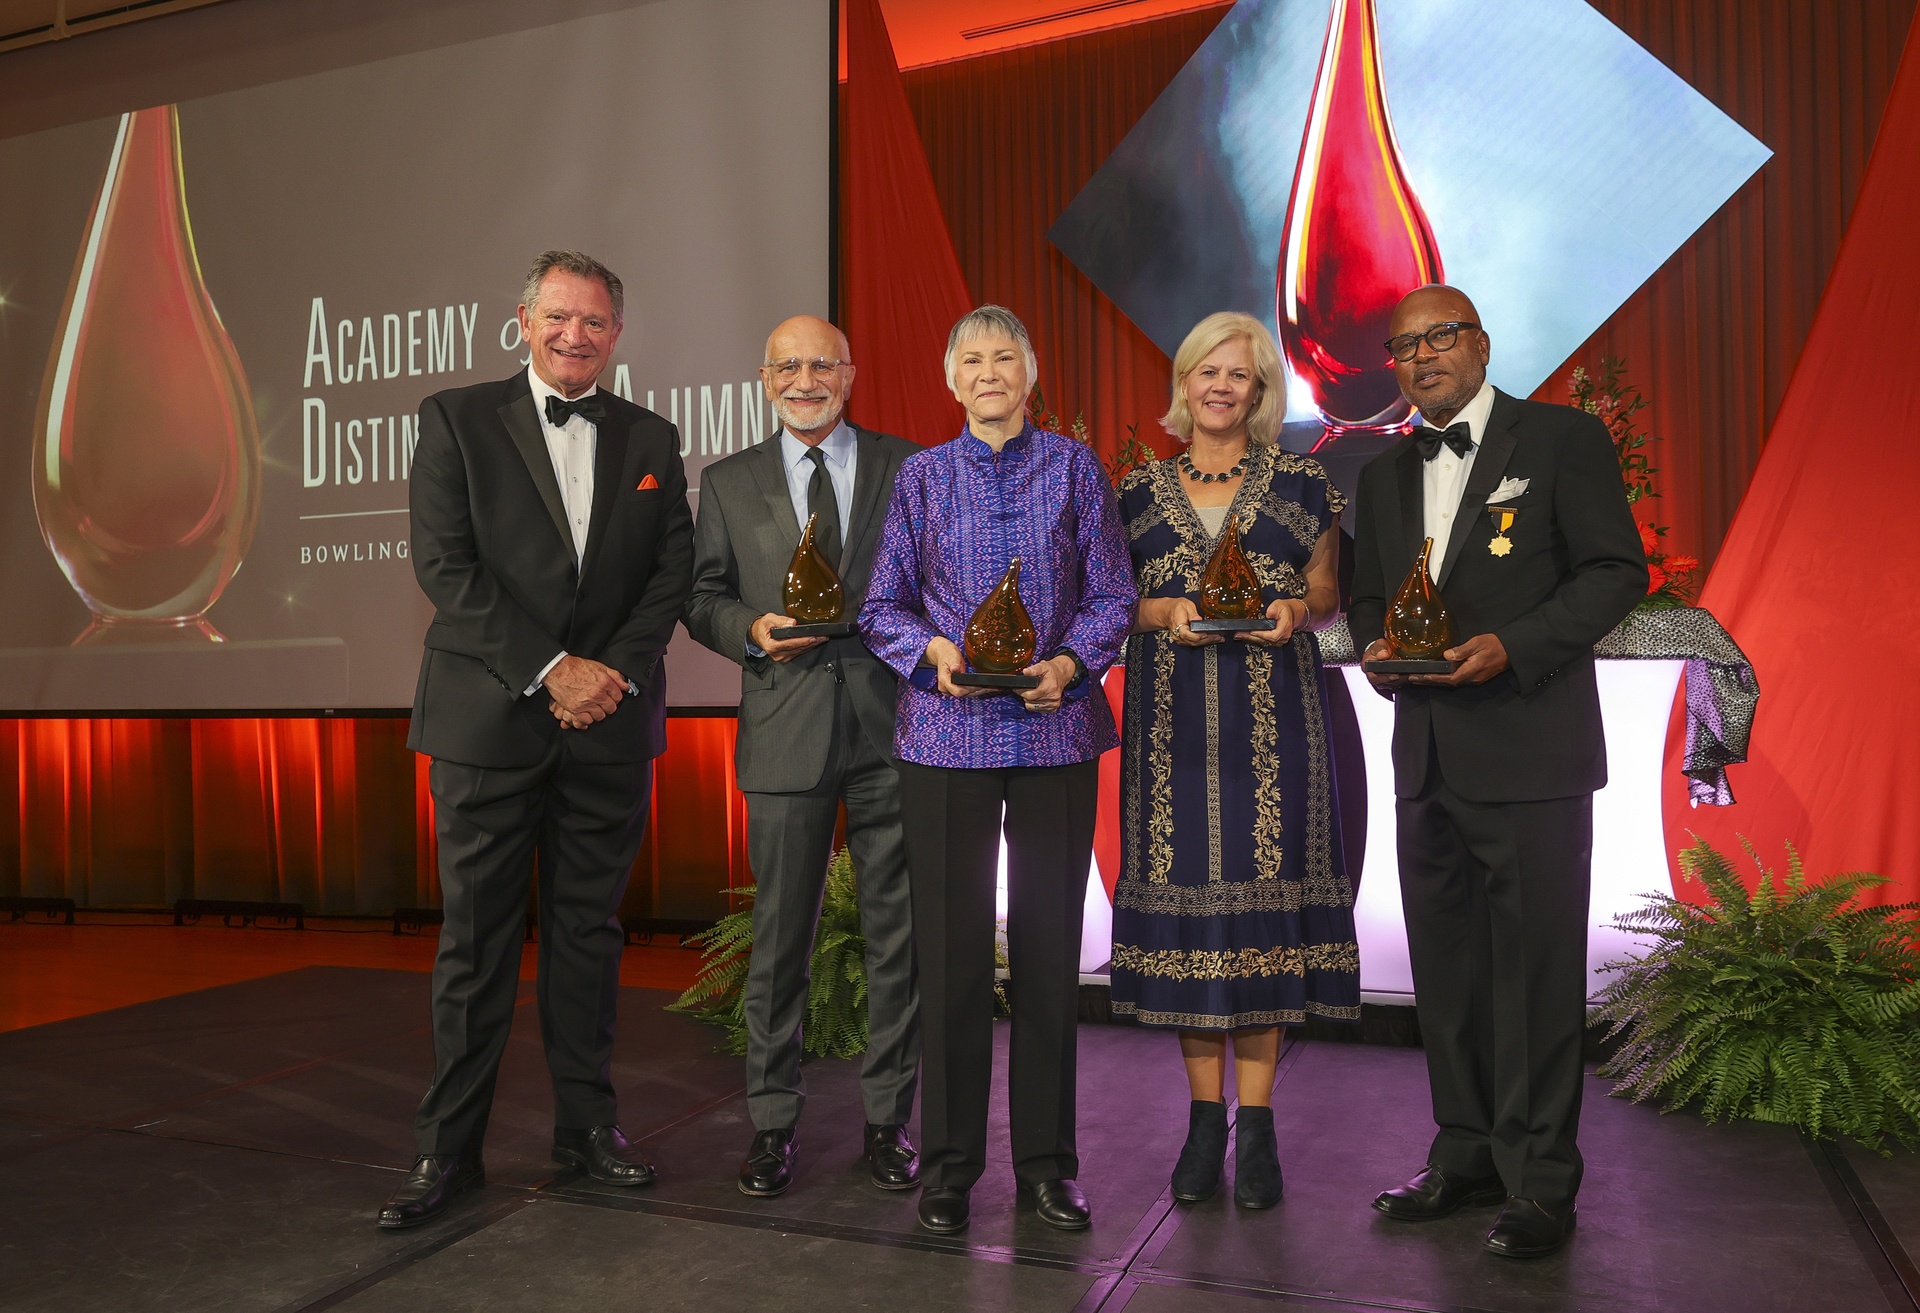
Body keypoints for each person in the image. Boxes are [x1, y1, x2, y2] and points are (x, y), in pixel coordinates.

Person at [382, 250, 694, 1229]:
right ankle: (449, 1148)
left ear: (617, 333)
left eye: (595, 321)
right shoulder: (455, 419)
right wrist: (550, 667)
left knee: (588, 940)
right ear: (522, 320)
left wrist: (606, 676)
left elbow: (670, 574)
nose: (576, 335)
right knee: (474, 943)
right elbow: (445, 566)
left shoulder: (652, 433)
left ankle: (587, 1130)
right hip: (488, 721)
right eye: (559, 316)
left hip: (607, 727)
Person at [1349, 285, 1646, 1259]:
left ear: (1479, 343)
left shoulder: (1559, 441)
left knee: (1535, 975)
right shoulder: (1384, 470)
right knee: (1449, 973)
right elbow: (1362, 601)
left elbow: (1613, 571)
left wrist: (1512, 646)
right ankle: (1466, 1149)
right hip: (1426, 754)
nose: (1421, 355)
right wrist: (1379, 648)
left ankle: (1540, 1181)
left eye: (1439, 336)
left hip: (1529, 747)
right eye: (1403, 346)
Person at [859, 305, 1136, 1236]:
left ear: (1028, 370)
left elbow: (1113, 593)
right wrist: (932, 648)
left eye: (1004, 356)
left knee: (1053, 959)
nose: (988, 372)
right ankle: (948, 1169)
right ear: (950, 378)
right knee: (951, 960)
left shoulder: (1074, 467)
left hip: (1055, 734)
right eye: (971, 359)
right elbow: (881, 606)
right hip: (946, 738)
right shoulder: (921, 477)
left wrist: (1069, 664)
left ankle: (1049, 1169)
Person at [1109, 311, 1359, 1210]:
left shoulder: (1302, 481)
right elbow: (1112, 600)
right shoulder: (1133, 491)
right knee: (1191, 927)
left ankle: (1256, 1131)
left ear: (1260, 393)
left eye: (1240, 376)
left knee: (1258, 926)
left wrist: (1298, 612)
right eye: (1208, 371)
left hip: (1274, 728)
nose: (1222, 387)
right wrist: (1159, 612)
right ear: (1184, 382)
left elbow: (1328, 592)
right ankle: (1201, 1121)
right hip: (1170, 733)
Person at [683, 315, 922, 1199]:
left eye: (822, 363)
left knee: (898, 936)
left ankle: (890, 1122)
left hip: (897, 727)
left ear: (851, 373)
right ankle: (773, 1124)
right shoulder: (728, 482)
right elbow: (701, 596)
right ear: (763, 376)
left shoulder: (909, 466)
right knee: (781, 941)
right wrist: (749, 629)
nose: (805, 378)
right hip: (783, 728)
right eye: (788, 364)